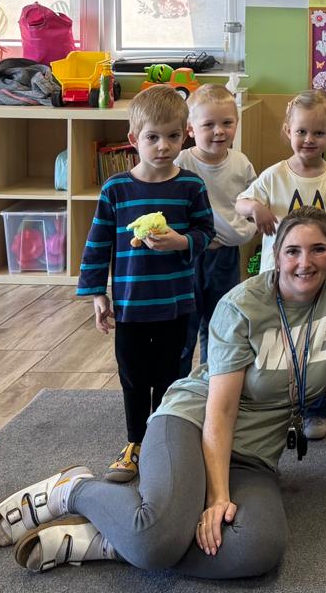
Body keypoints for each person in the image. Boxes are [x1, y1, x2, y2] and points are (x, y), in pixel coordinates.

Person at [0, 208, 326, 575]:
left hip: (253, 457)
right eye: (292, 251)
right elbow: (221, 411)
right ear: (276, 255)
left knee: (259, 547)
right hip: (194, 423)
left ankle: (115, 541)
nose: (305, 262)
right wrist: (218, 498)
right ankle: (74, 491)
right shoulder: (243, 306)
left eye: (318, 249)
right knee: (157, 539)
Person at [77, 84, 213, 481]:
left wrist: (181, 241)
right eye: (153, 137)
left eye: (173, 136)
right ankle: (135, 442)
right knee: (134, 377)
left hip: (176, 304)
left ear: (186, 135)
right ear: (134, 139)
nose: (163, 146)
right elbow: (98, 242)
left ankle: (164, 439)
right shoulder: (116, 189)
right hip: (131, 307)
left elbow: (206, 232)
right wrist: (97, 294)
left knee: (171, 376)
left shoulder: (191, 186)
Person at [236, 89, 326, 441]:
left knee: (319, 346)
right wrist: (255, 208)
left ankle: (316, 410)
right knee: (280, 346)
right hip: (278, 283)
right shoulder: (273, 176)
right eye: (301, 131)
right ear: (288, 131)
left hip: (320, 279)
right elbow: (241, 203)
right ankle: (277, 409)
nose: (309, 139)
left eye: (318, 133)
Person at [176, 84, 257, 366]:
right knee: (185, 324)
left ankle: (213, 378)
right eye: (208, 125)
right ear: (190, 129)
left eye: (227, 123)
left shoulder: (240, 163)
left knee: (220, 321)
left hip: (224, 257)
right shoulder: (182, 163)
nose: (219, 131)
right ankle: (179, 382)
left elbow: (254, 200)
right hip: (187, 257)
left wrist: (245, 231)